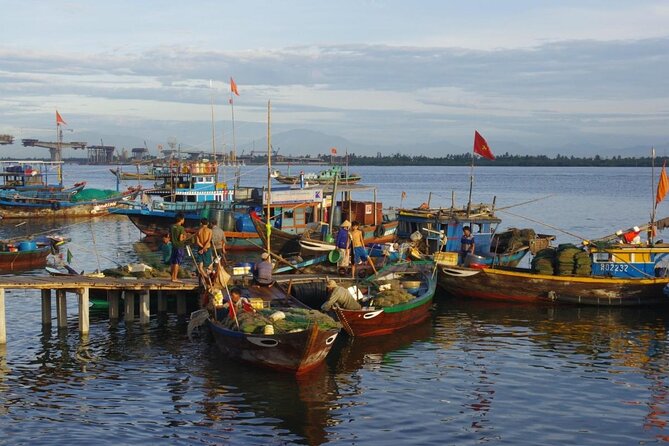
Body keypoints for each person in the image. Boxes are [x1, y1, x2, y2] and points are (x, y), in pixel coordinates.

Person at [170, 213, 187, 282]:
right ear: (181, 219)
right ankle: (175, 278)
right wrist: (185, 237)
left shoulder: (171, 226)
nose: (184, 220)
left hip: (173, 246)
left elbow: (169, 235)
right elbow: (180, 239)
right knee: (177, 262)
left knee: (173, 262)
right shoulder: (181, 228)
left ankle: (172, 277)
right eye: (183, 219)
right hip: (179, 246)